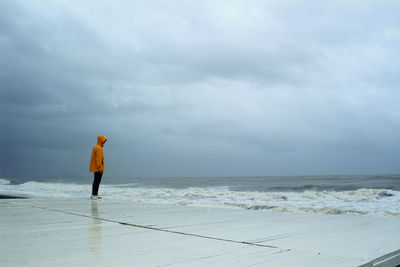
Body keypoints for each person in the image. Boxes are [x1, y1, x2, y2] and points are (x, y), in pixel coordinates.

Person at [89, 135, 107, 199]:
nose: (104, 142)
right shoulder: (99, 148)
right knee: (97, 181)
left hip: (96, 167)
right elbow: (99, 160)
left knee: (95, 181)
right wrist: (100, 168)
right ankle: (94, 194)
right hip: (98, 168)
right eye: (103, 140)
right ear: (100, 140)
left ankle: (94, 194)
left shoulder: (95, 147)